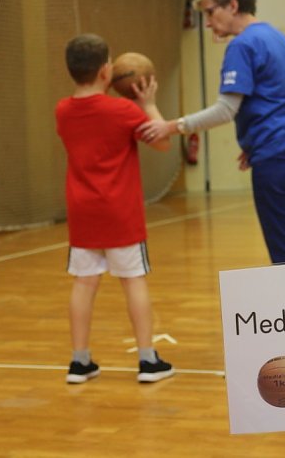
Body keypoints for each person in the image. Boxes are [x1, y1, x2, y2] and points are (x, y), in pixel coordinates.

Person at [138, 0, 285, 265]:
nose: (208, 23)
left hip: (279, 158)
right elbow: (284, 98)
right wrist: (255, 144)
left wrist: (171, 127)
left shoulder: (242, 44)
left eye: (211, 13)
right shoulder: (281, 38)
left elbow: (226, 110)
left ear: (233, 5)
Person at [56, 34, 175, 384]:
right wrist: (148, 103)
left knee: (84, 282)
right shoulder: (123, 110)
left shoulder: (62, 110)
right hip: (120, 212)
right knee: (133, 280)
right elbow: (164, 143)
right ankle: (147, 360)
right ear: (107, 71)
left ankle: (79, 362)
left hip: (82, 212)